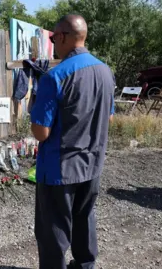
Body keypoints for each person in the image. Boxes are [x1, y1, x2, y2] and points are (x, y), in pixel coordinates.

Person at [30, 14, 115, 269]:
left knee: (53, 229)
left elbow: (41, 132)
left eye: (54, 37)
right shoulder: (105, 71)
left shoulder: (54, 77)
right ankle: (85, 265)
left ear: (64, 37)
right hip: (92, 164)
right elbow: (108, 119)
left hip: (60, 169)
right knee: (84, 218)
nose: (53, 42)